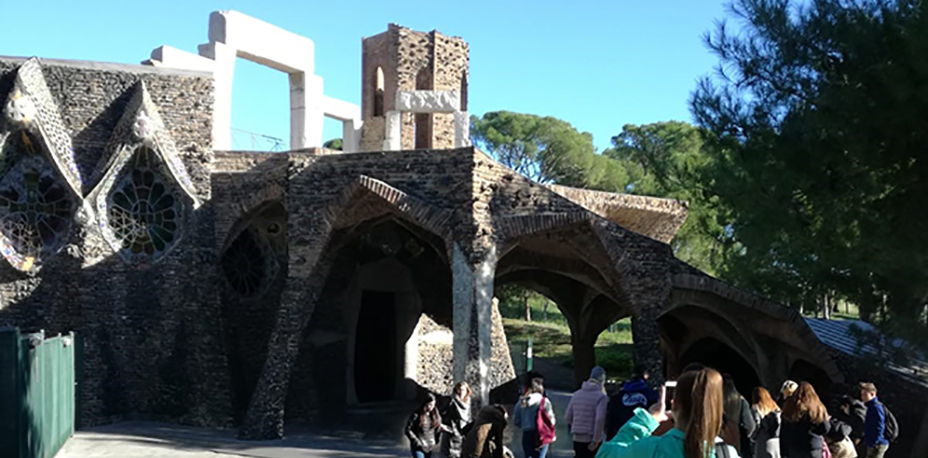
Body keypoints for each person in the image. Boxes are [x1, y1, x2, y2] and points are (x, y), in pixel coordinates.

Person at [594, 366, 740, 458]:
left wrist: (646, 420)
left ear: (674, 405)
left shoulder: (650, 449)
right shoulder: (727, 454)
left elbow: (605, 454)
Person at [605, 365, 659, 440]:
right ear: (646, 376)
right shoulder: (651, 394)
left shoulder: (619, 394)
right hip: (642, 433)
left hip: (620, 434)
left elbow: (612, 417)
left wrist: (610, 436)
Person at [566, 366, 609, 458]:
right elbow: (600, 419)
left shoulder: (577, 394)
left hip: (577, 437)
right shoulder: (601, 397)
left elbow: (568, 417)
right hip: (591, 438)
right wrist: (596, 440)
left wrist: (577, 426)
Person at [780, 382, 832, 458]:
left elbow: (784, 431)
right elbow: (826, 428)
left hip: (795, 448)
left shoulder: (789, 407)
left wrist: (784, 451)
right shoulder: (818, 407)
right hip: (813, 446)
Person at [514, 376, 555, 458]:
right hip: (541, 434)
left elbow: (516, 421)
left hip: (527, 434)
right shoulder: (544, 401)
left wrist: (525, 423)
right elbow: (552, 421)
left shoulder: (521, 402)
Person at [721, 376, 757, 456]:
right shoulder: (740, 400)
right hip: (736, 437)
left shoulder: (716, 402)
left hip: (718, 439)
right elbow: (750, 426)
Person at [442, 382, 473, 458]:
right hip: (452, 433)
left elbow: (469, 417)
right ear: (456, 390)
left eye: (464, 390)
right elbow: (440, 413)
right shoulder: (451, 400)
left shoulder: (468, 402)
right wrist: (443, 426)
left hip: (464, 433)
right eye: (460, 390)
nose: (462, 392)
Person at [858, 383, 889, 458]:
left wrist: (875, 442)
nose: (862, 397)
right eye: (862, 394)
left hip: (877, 444)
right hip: (873, 442)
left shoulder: (876, 407)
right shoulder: (871, 406)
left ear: (872, 394)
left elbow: (880, 425)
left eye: (865, 394)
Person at [406, 393, 443, 458]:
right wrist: (417, 442)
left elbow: (438, 429)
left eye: (433, 404)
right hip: (419, 445)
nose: (431, 407)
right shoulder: (416, 415)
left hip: (430, 446)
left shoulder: (436, 415)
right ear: (425, 403)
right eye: (430, 404)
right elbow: (408, 430)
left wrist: (436, 441)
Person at [751, 387, 781, 458]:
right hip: (777, 442)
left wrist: (752, 437)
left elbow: (756, 425)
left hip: (763, 441)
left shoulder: (756, 408)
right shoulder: (776, 407)